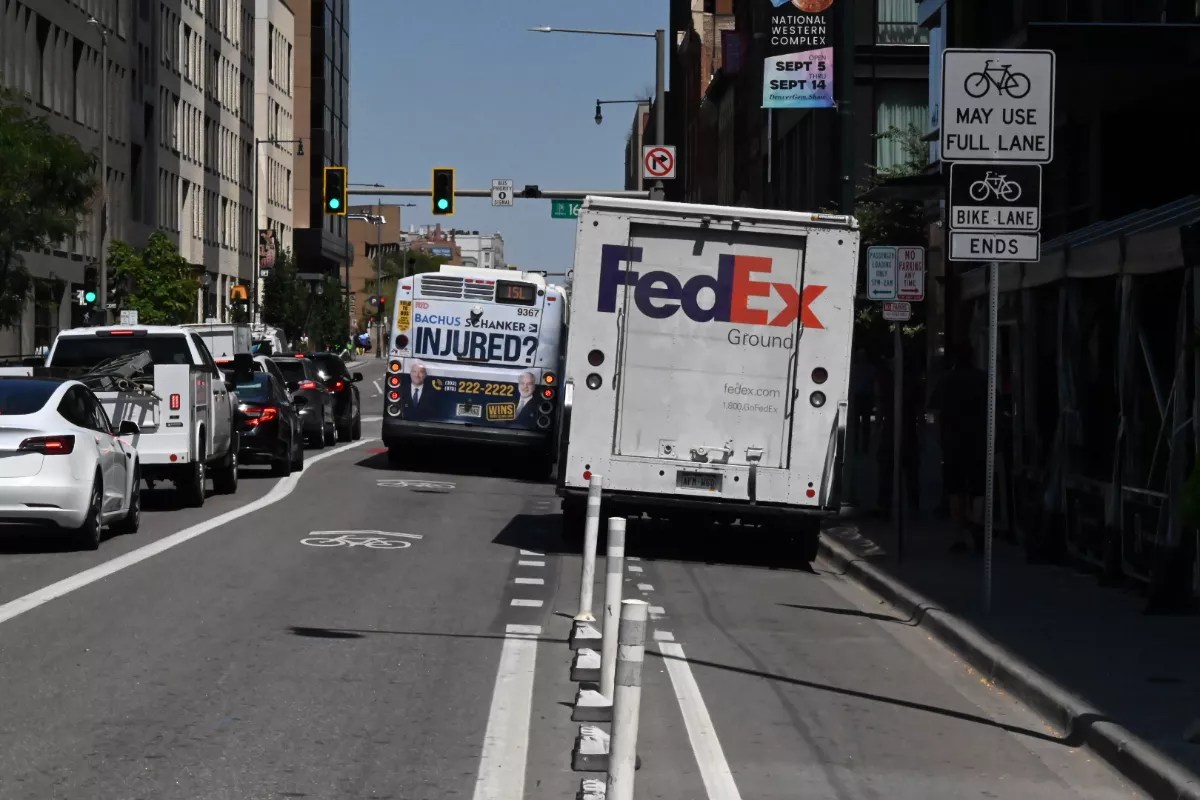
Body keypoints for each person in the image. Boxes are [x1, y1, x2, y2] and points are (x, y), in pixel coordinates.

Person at [929, 345, 989, 553]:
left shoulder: (946, 381)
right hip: (979, 441)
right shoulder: (983, 379)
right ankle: (977, 522)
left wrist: (939, 437)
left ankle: (959, 537)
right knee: (979, 488)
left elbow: (935, 413)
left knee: (956, 490)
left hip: (953, 442)